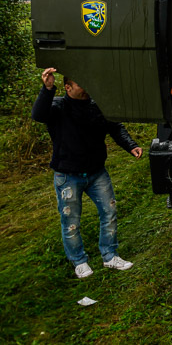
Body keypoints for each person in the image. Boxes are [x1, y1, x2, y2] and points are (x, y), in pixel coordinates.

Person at [32, 68, 143, 279]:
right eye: (82, 85)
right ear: (68, 87)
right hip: (68, 176)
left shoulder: (97, 106)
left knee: (109, 213)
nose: (87, 89)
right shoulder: (56, 107)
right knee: (71, 222)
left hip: (96, 172)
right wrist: (47, 88)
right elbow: (38, 115)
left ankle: (110, 256)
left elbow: (115, 127)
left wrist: (131, 146)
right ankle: (79, 262)